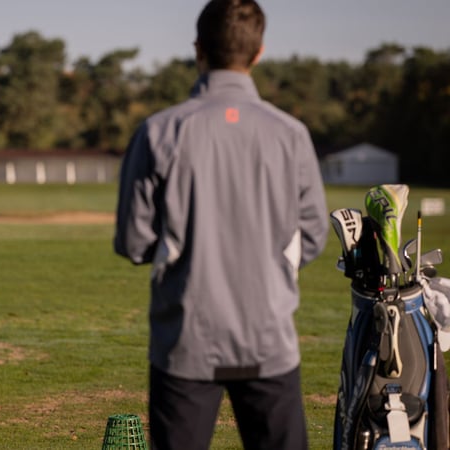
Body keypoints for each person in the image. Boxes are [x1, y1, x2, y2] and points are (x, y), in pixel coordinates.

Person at [113, 1, 328, 449]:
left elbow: (134, 242)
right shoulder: (291, 134)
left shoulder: (157, 131)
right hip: (268, 337)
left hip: (186, 338)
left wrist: (186, 256)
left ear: (198, 49)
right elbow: (312, 236)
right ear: (259, 53)